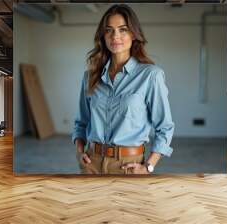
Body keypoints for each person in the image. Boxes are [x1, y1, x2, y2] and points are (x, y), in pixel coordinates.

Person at [72, 4, 174, 175]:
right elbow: (81, 122)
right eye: (109, 30)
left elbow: (165, 127)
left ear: (133, 34)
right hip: (91, 163)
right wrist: (80, 151)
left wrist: (148, 166)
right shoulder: (90, 77)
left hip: (128, 166)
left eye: (123, 29)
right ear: (103, 36)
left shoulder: (151, 75)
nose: (115, 36)